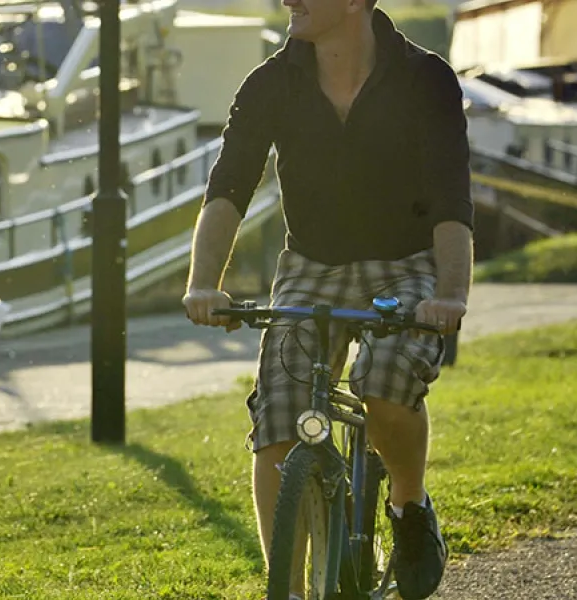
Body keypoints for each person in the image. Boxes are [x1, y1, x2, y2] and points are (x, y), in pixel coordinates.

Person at [181, 0, 473, 598]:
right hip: (311, 266)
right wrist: (202, 282)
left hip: (405, 266)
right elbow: (229, 185)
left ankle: (409, 508)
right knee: (279, 419)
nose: (288, 0)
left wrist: (450, 295)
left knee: (385, 385)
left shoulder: (425, 77)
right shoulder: (270, 83)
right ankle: (284, 587)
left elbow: (450, 196)